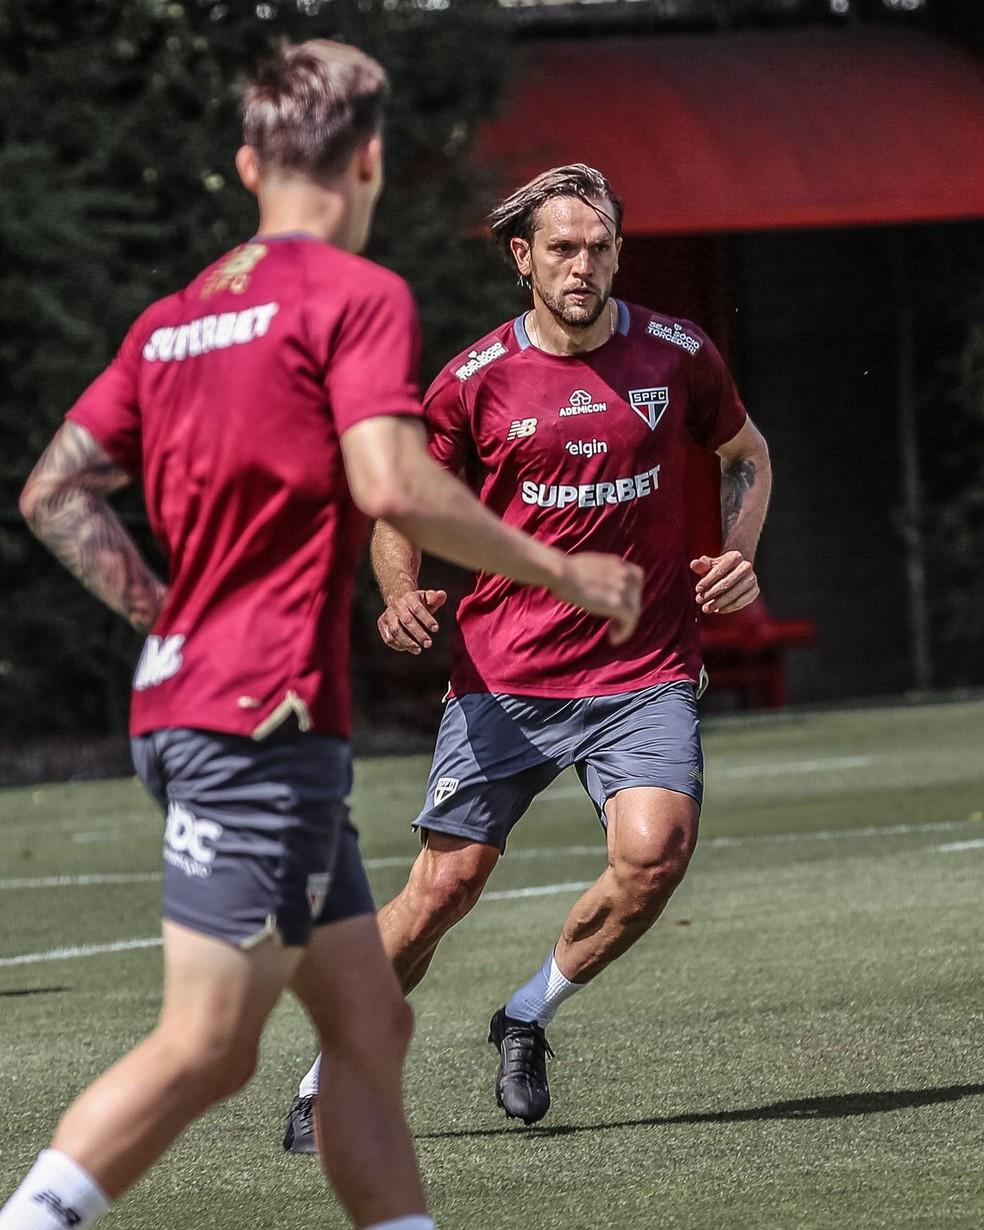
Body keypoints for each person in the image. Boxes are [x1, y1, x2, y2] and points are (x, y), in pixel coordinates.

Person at [0, 50, 642, 1230]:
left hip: (205, 702)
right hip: (259, 724)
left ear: (246, 165)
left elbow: (53, 493)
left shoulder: (173, 317)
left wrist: (166, 622)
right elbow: (393, 479)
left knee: (370, 1023)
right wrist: (562, 569)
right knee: (208, 1048)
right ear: (371, 160)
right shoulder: (352, 293)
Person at [282, 162, 772, 1148]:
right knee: (441, 891)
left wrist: (738, 557)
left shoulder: (679, 355)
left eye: (597, 247)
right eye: (561, 249)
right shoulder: (473, 381)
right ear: (524, 259)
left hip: (646, 669)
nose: (581, 265)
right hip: (505, 677)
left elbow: (747, 454)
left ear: (620, 252)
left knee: (654, 856)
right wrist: (397, 591)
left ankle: (527, 1015)